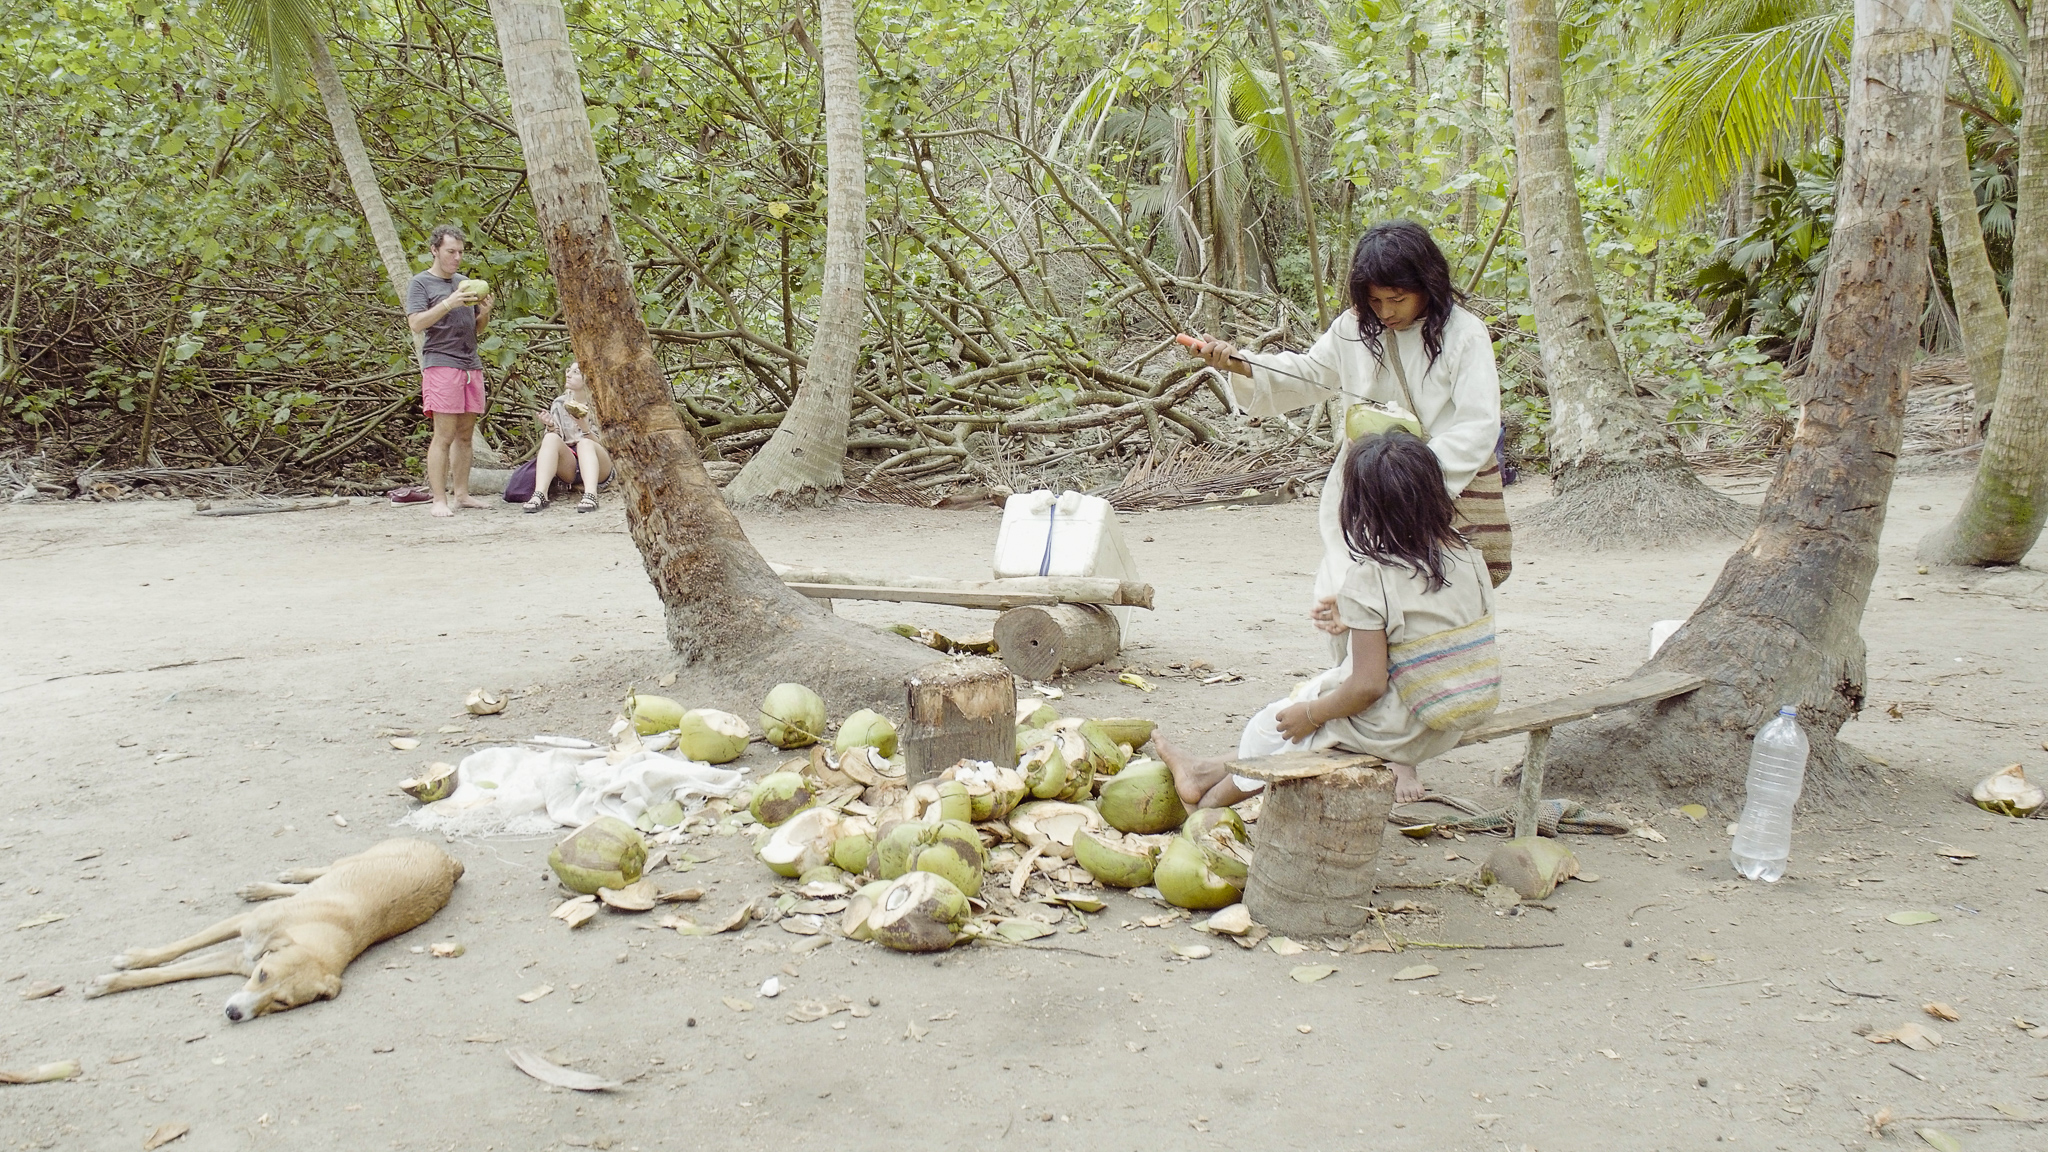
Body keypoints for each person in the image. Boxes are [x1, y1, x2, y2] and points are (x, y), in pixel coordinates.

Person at [1190, 220, 1510, 641]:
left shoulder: (1465, 334)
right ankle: (1360, 679)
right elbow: (1308, 373)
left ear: (1427, 285)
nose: (1386, 312)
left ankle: (1434, 672)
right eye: (1375, 300)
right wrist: (1242, 363)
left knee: (1437, 584)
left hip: (1443, 482)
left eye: (1397, 298)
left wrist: (1413, 476)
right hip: (1365, 481)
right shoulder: (1354, 327)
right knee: (1353, 575)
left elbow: (1478, 421)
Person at [1157, 431, 1497, 807]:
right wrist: (1356, 614)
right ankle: (1203, 770)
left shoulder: (1372, 577)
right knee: (1293, 719)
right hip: (1454, 713)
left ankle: (1201, 808)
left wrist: (1311, 714)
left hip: (1401, 729)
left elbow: (1367, 686)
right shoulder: (1468, 556)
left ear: (1363, 507)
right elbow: (1432, 627)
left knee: (1277, 726)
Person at [405, 224, 495, 518]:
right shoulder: (421, 283)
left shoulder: (465, 282)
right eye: (450, 252)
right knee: (443, 435)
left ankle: (462, 494)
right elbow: (416, 323)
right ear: (434, 250)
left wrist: (485, 313)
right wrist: (448, 302)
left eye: (460, 252)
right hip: (441, 363)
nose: (457, 258)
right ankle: (438, 500)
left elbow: (475, 329)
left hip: (471, 363)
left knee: (465, 435)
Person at [524, 361, 613, 513]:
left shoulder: (601, 405)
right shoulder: (560, 403)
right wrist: (551, 426)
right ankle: (540, 494)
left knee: (585, 444)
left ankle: (591, 494)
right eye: (568, 370)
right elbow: (556, 443)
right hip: (570, 464)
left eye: (575, 372)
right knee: (550, 438)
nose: (568, 375)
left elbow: (608, 447)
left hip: (599, 463)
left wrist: (585, 428)